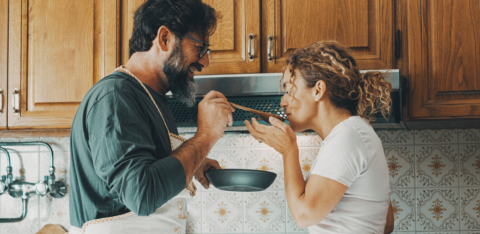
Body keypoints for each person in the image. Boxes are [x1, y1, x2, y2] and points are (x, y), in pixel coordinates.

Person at [69, 0, 234, 233]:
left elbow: (145, 171)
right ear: (165, 38)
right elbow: (142, 195)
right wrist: (206, 136)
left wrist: (193, 161)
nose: (205, 61)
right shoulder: (115, 96)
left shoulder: (150, 96)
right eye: (201, 48)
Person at [245, 41, 395, 234]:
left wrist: (288, 150)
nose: (283, 102)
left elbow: (304, 215)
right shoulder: (355, 133)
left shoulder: (348, 136)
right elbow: (387, 223)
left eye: (289, 90)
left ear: (318, 90)